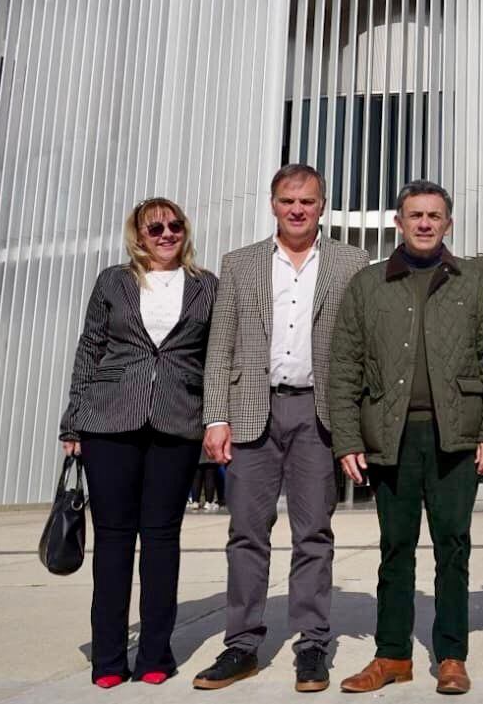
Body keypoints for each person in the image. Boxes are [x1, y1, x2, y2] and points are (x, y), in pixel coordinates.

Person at [192, 165, 369, 692]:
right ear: (273, 204)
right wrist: (215, 417)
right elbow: (219, 346)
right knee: (246, 534)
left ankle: (312, 644)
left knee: (314, 534)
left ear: (322, 206)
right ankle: (241, 645)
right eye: (288, 200)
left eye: (308, 202)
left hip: (318, 415)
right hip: (252, 414)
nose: (297, 210)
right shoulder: (240, 263)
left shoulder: (350, 261)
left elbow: (357, 347)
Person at [329, 180, 483, 696]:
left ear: (448, 224)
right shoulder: (368, 284)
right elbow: (344, 367)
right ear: (398, 223)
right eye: (415, 215)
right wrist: (347, 440)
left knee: (453, 547)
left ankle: (451, 655)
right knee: (394, 548)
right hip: (391, 436)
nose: (425, 223)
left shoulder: (472, 281)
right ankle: (392, 655)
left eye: (434, 215)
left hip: (457, 437)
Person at [58, 197, 219, 689]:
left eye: (174, 226)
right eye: (156, 228)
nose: (166, 234)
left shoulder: (206, 286)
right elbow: (90, 348)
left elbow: (215, 357)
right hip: (109, 422)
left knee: (162, 539)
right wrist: (72, 423)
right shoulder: (113, 281)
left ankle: (156, 654)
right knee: (113, 541)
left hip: (177, 422)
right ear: (139, 234)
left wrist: (216, 419)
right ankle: (108, 659)